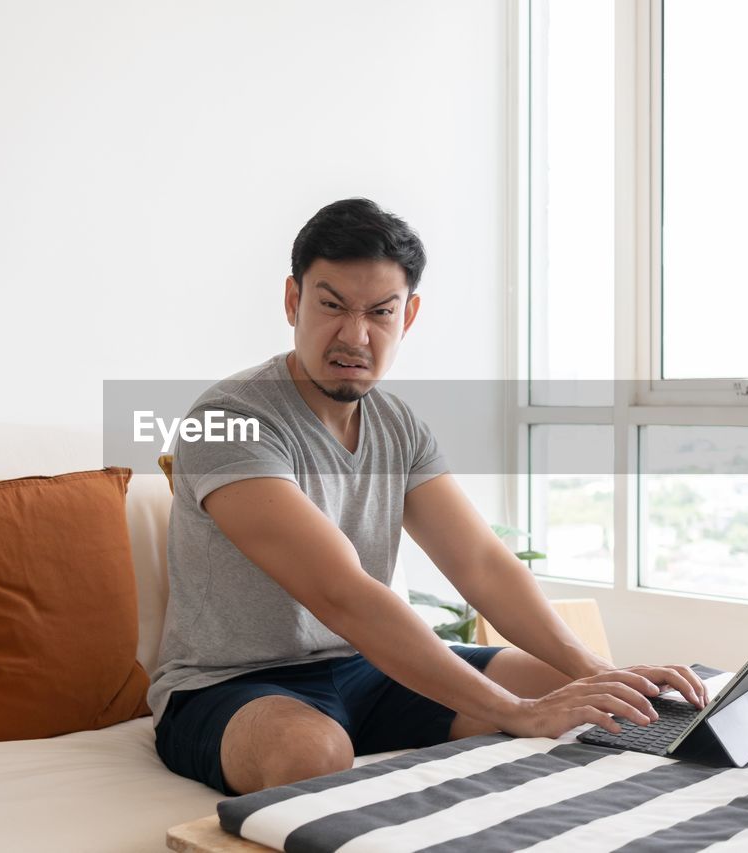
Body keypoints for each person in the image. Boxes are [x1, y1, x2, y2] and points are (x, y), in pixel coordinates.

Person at [147, 197, 708, 796]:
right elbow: (340, 591)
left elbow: (482, 564)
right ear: (293, 301)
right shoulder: (226, 419)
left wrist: (600, 670)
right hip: (233, 685)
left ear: (407, 316)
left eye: (380, 313)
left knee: (601, 693)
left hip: (368, 669)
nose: (354, 335)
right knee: (312, 752)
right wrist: (515, 714)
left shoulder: (398, 425)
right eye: (331, 305)